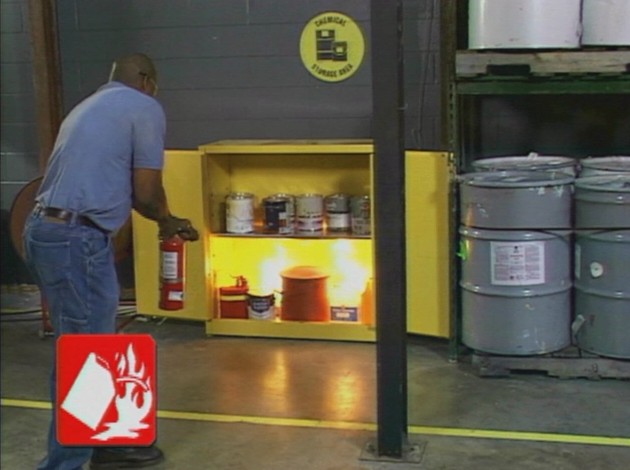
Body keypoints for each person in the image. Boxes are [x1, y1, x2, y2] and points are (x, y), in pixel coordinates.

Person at [23, 53, 199, 469]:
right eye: (154, 84)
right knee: (86, 356)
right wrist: (169, 220)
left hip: (48, 229)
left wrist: (159, 219)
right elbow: (146, 191)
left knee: (93, 344)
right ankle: (65, 463)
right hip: (74, 237)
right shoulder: (143, 106)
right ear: (145, 79)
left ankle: (108, 441)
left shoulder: (90, 106)